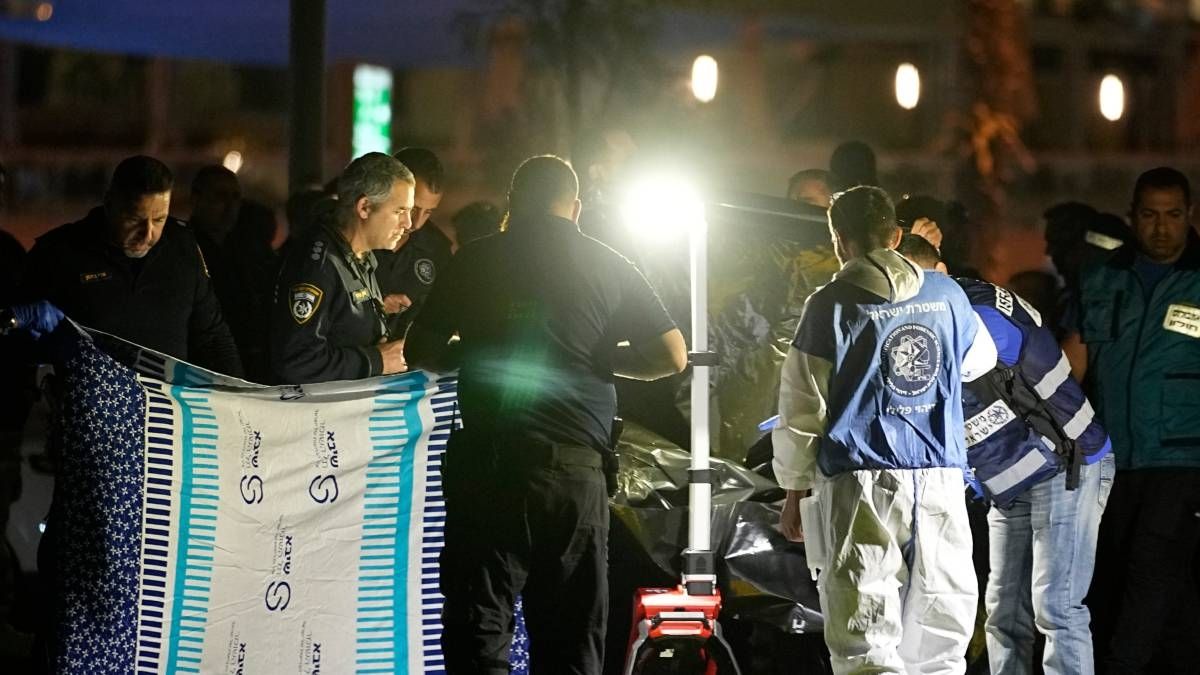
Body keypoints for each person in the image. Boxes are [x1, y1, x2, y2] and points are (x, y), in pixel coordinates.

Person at [405, 155, 687, 674]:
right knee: (571, 634)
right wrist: (602, 359)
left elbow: (419, 349)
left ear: (513, 205)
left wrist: (475, 353)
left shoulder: (474, 260)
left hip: (488, 471)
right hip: (574, 477)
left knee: (478, 630)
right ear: (575, 207)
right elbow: (672, 355)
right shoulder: (609, 262)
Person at [773, 186, 996, 675]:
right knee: (942, 634)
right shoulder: (948, 293)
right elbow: (981, 360)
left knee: (864, 635)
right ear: (897, 235)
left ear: (839, 240)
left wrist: (794, 492)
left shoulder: (829, 303)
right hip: (939, 474)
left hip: (861, 482)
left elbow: (801, 411)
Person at [898, 234, 1115, 675]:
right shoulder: (944, 309)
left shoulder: (980, 315)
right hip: (1008, 474)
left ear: (940, 276)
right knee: (1002, 613)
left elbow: (933, 377)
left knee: (1057, 607)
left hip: (1067, 465)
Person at [1063, 167, 1200, 673]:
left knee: (1151, 566)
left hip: (1182, 458)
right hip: (1110, 457)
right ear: (1132, 216)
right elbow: (1072, 364)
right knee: (1133, 577)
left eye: (1173, 215)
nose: (1161, 228)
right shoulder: (1101, 276)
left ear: (1190, 216)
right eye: (1149, 215)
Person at [19, 155, 243, 376]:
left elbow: (213, 338)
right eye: (135, 219)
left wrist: (238, 401)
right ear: (109, 203)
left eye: (159, 220)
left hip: (167, 409)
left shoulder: (183, 247)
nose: (147, 234)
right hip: (90, 406)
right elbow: (18, 344)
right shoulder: (59, 251)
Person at [270, 152, 412, 384]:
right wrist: (376, 361)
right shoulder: (319, 265)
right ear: (364, 207)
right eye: (399, 211)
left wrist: (377, 311)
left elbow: (339, 323)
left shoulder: (357, 255)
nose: (407, 224)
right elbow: (296, 360)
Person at [188, 166, 278, 382]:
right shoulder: (182, 250)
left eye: (235, 198)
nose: (230, 207)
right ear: (197, 199)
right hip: (202, 369)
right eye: (220, 197)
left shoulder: (247, 251)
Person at [374, 148, 448, 337]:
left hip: (411, 364)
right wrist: (372, 309)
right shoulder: (358, 238)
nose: (416, 223)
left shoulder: (436, 249)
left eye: (428, 212)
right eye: (413, 208)